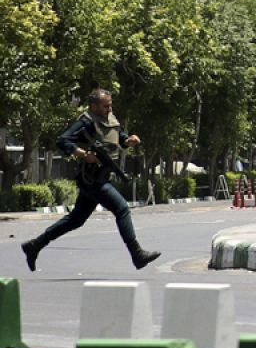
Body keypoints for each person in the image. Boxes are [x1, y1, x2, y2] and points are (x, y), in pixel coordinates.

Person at [20, 89, 161, 272]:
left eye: (110, 104)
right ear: (93, 106)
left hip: (102, 176)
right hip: (92, 178)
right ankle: (137, 255)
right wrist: (84, 154)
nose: (109, 108)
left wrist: (129, 141)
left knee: (75, 220)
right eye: (105, 105)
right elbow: (63, 141)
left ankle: (35, 245)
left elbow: (120, 137)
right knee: (122, 209)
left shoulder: (111, 119)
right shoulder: (85, 122)